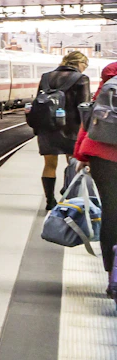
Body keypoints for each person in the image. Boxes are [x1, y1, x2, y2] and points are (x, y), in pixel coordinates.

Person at [70, 58, 117, 300]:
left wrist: (81, 154)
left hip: (102, 155)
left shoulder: (112, 74)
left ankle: (113, 275)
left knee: (111, 212)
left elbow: (90, 119)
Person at [35, 50, 92, 208]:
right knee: (72, 164)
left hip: (47, 127)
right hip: (71, 128)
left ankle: (49, 201)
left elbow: (38, 101)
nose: (85, 68)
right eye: (85, 65)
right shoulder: (82, 79)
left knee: (49, 165)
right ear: (79, 63)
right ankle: (70, 198)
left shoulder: (46, 77)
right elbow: (84, 107)